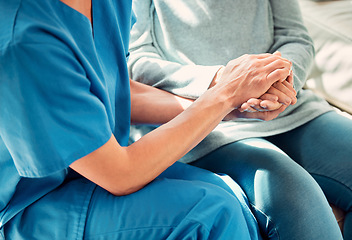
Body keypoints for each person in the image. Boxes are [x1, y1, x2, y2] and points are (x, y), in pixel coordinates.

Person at [0, 0, 303, 239]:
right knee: (209, 213)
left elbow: (117, 88)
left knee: (230, 192)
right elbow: (120, 174)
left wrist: (231, 107)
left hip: (95, 170)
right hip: (31, 204)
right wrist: (223, 95)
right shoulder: (24, 38)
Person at [128, 0, 352, 239]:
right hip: (205, 121)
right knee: (292, 193)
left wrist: (280, 82)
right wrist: (226, 82)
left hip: (291, 107)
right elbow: (137, 63)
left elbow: (294, 37)